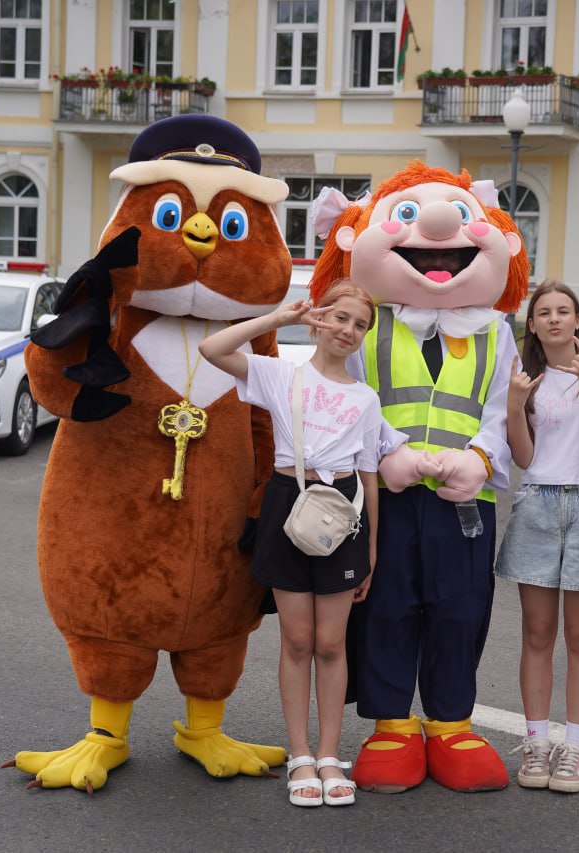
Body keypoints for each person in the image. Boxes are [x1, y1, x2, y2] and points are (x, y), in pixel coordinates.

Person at [199, 282, 385, 808]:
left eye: (360, 325)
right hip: (288, 504)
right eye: (340, 318)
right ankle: (300, 754)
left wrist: (370, 550)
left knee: (332, 643)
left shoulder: (365, 398)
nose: (348, 331)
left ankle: (330, 754)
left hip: (342, 515)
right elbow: (213, 349)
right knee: (297, 642)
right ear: (320, 320)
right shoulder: (283, 374)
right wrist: (278, 318)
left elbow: (370, 479)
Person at [497, 280, 579, 794]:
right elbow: (524, 458)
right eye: (543, 312)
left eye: (564, 311)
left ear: (578, 320)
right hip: (537, 503)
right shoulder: (524, 377)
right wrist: (513, 404)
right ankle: (536, 742)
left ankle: (575, 748)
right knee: (536, 633)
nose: (554, 319)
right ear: (531, 324)